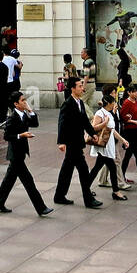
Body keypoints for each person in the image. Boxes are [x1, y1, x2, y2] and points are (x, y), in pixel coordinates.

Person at [0, 90, 54, 216]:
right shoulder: (12, 117)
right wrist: (21, 135)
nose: (25, 102)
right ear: (16, 104)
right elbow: (7, 136)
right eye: (22, 100)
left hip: (20, 153)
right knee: (28, 181)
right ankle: (41, 208)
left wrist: (30, 110)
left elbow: (35, 123)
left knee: (8, 181)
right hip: (15, 155)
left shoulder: (24, 114)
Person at [52, 77, 103, 209]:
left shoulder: (79, 102)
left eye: (82, 86)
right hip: (72, 142)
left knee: (66, 171)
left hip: (77, 142)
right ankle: (88, 199)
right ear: (72, 89)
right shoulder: (68, 104)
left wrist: (92, 133)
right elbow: (61, 123)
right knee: (83, 170)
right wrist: (61, 142)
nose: (82, 88)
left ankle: (59, 196)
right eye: (80, 86)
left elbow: (85, 121)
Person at [86, 93, 129, 200]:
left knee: (97, 168)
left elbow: (113, 130)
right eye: (113, 102)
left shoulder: (109, 113)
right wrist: (104, 123)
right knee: (112, 168)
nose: (115, 103)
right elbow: (93, 128)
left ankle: (85, 188)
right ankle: (116, 192)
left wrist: (123, 140)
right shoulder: (100, 113)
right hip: (102, 145)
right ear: (108, 103)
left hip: (108, 145)